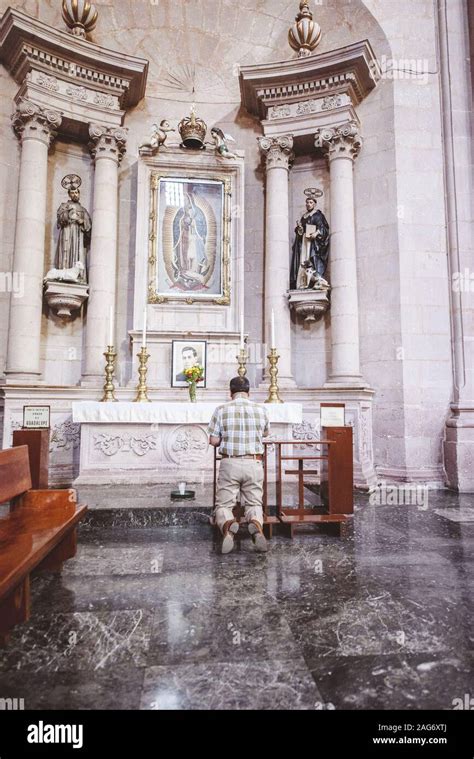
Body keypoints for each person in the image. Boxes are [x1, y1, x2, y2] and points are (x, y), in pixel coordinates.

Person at [208, 376, 270, 554]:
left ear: (230, 393)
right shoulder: (261, 409)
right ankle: (256, 526)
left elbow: (213, 440)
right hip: (254, 462)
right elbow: (265, 432)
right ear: (249, 393)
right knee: (254, 503)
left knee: (224, 505)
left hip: (230, 463)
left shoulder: (221, 410)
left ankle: (228, 525)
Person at [290, 193, 329, 290]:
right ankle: (303, 282)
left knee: (313, 259)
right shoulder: (304, 217)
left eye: (311, 202)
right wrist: (299, 229)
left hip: (314, 244)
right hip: (304, 242)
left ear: (314, 204)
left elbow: (324, 228)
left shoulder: (318, 215)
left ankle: (316, 279)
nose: (308, 204)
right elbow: (300, 232)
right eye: (307, 202)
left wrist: (317, 233)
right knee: (303, 260)